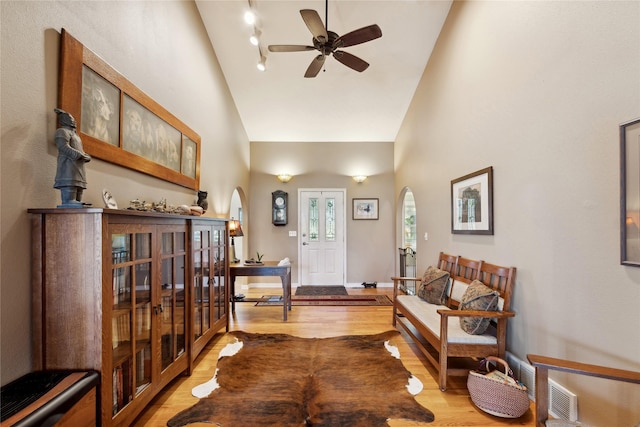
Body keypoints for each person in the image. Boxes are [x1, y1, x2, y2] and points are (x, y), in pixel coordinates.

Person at [53, 108, 91, 207]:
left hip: (78, 165)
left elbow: (79, 149)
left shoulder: (76, 135)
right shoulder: (62, 131)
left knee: (79, 186)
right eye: (70, 119)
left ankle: (76, 201)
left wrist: (85, 156)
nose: (73, 121)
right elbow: (63, 146)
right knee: (70, 182)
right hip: (68, 164)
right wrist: (78, 155)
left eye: (73, 119)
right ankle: (69, 200)